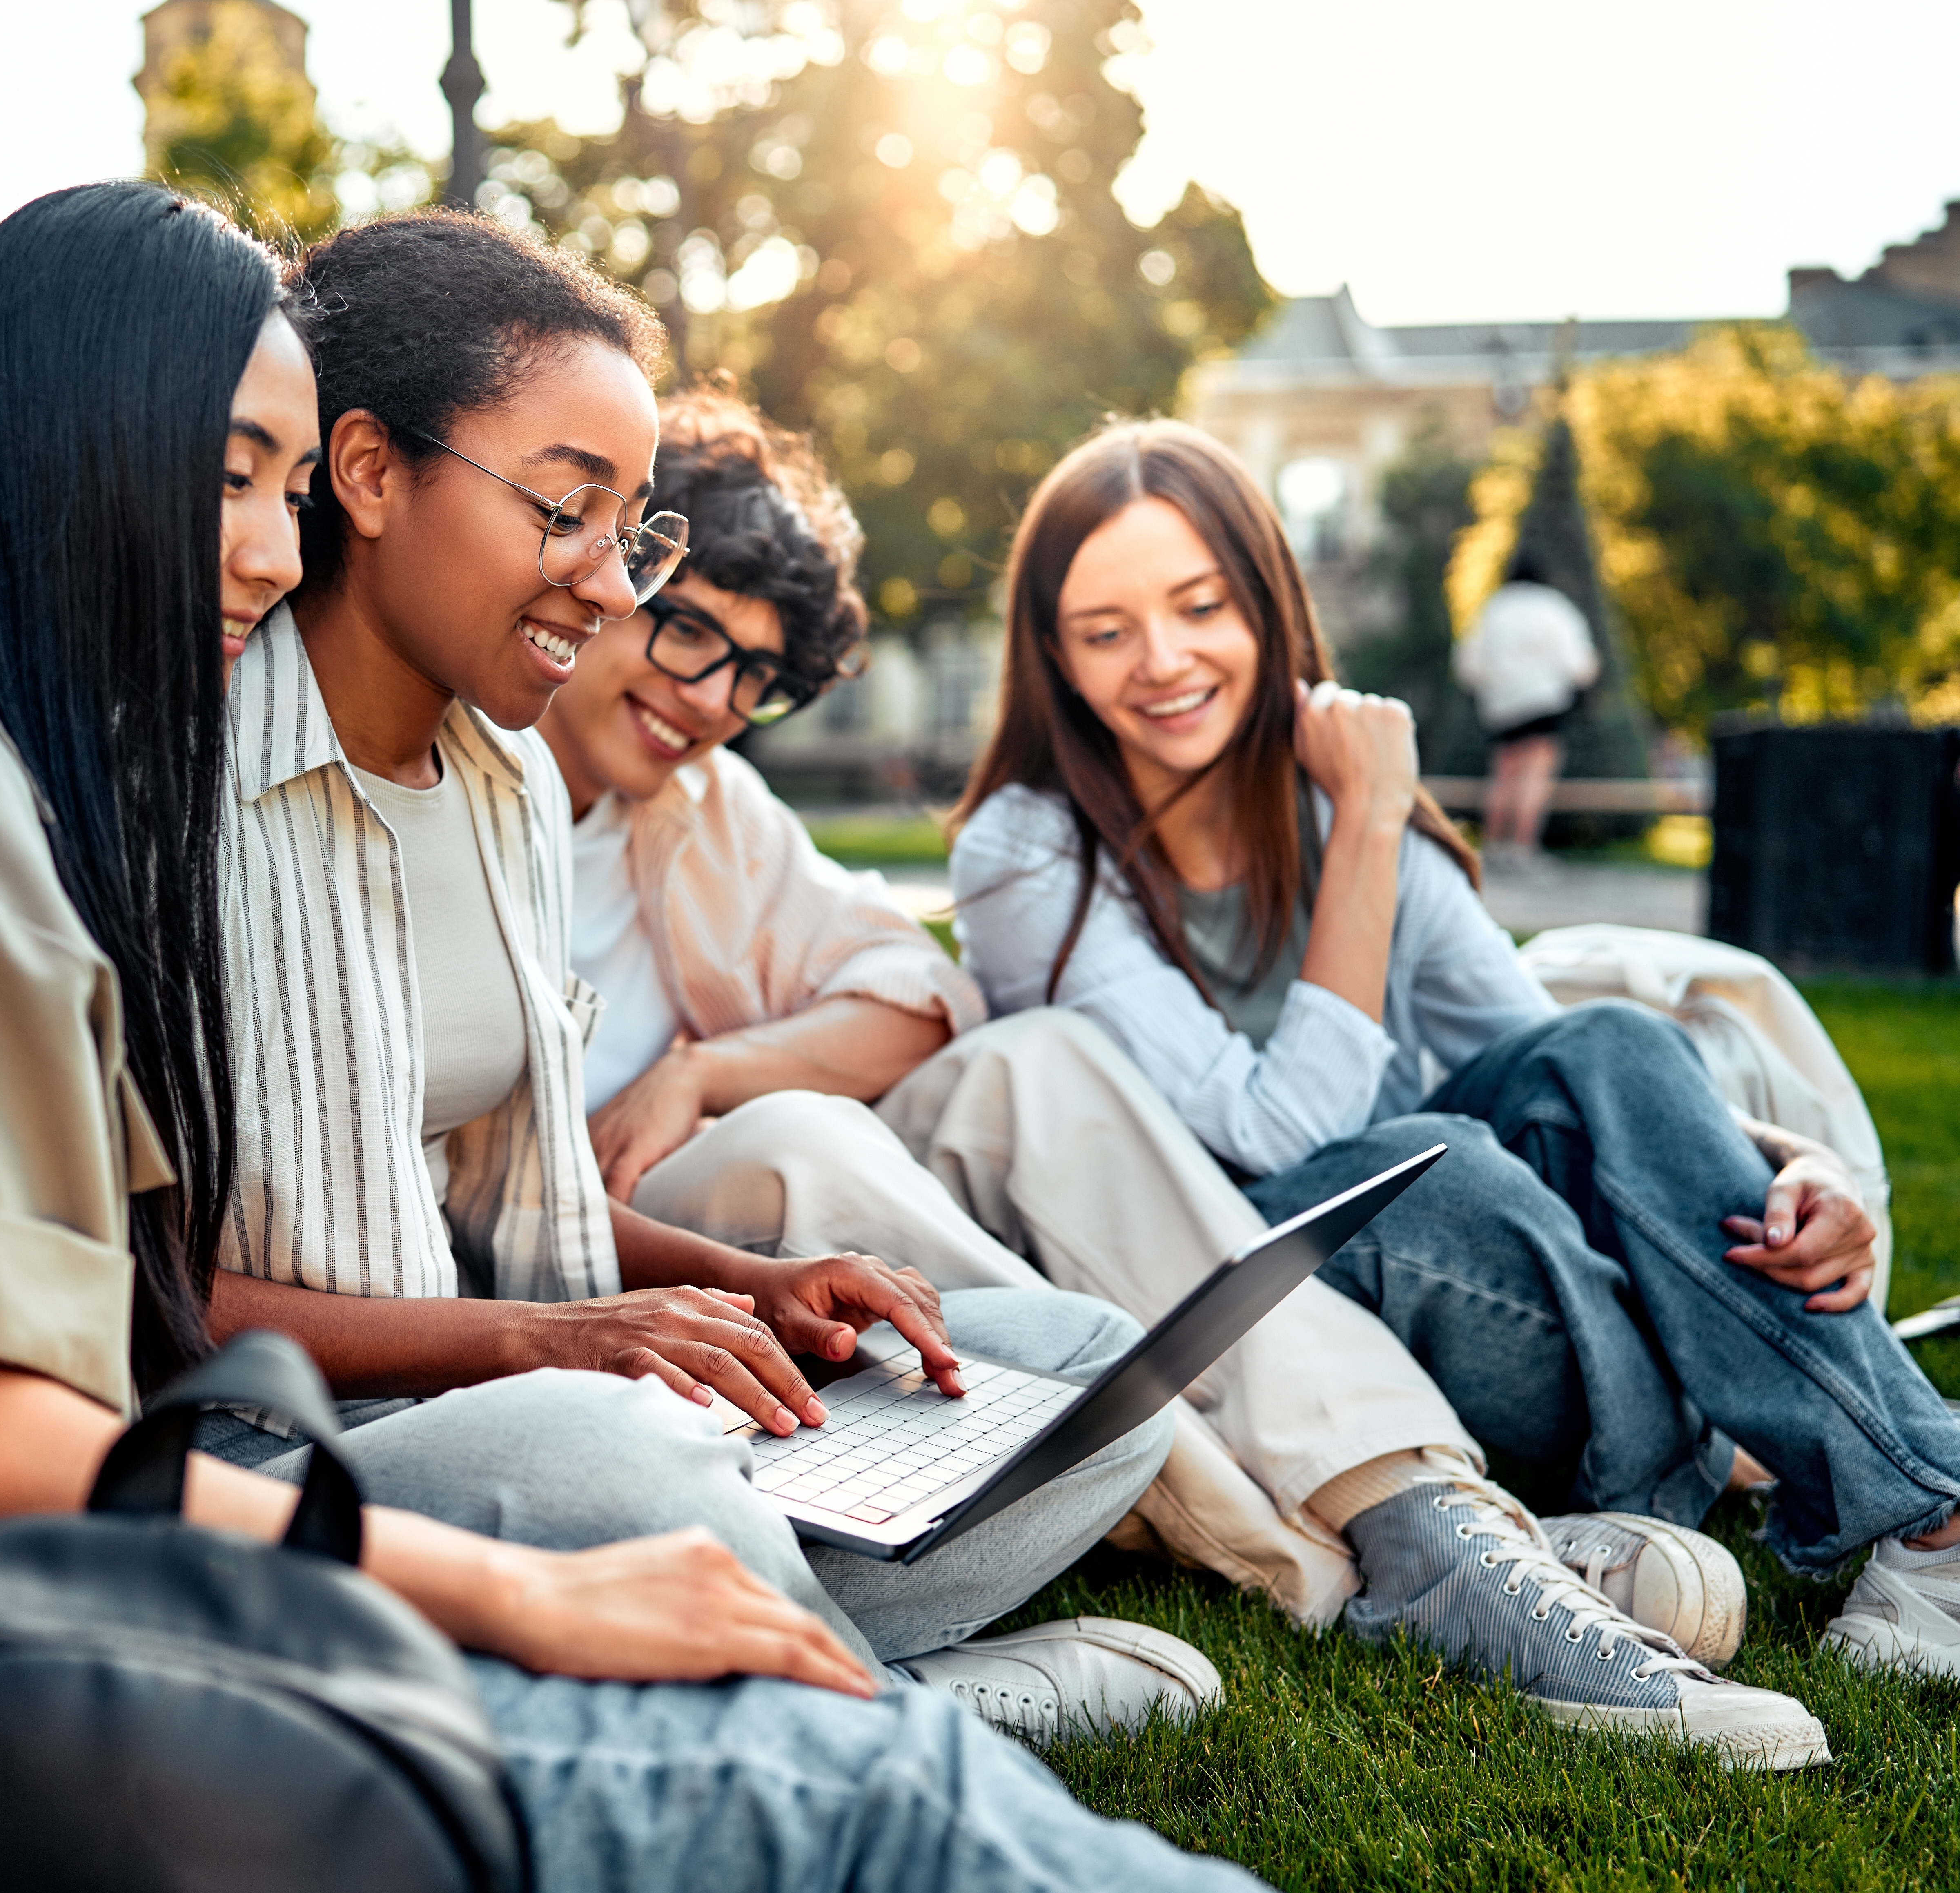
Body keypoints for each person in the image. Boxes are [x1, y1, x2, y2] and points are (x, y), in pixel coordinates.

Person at [0, 183, 1332, 1893]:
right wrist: (521, 1580)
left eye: (285, 489)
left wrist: (698, 1311)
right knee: (850, 1800)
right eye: (229, 478)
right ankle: (884, 1707)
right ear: (56, 445)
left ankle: (840, 1682)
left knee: (992, 1471)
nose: (273, 548)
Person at [518, 384, 1742, 1728]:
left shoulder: (702, 806)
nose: (705, 700)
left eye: (753, 676)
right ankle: (1340, 1548)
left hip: (764, 1262)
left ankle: (1422, 1508)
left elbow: (920, 1000)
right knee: (799, 1139)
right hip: (589, 1267)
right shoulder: (460, 791)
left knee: (1028, 1061)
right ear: (605, 562)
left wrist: (703, 1068)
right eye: (687, 631)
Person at [206, 210, 1207, 1730]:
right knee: (617, 1454)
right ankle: (877, 1713)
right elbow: (138, 1291)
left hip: (533, 1411)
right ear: (365, 473)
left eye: (630, 532)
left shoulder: (508, 787)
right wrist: (556, 1346)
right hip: (297, 1461)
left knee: (1082, 1372)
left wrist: (753, 1287)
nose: (608, 590)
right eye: (566, 512)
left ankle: (736, 1663)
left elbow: (508, 1205)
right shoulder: (189, 781)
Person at [952, 418, 1960, 1735]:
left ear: (1263, 603)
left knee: (1597, 1046)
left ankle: (1924, 1518)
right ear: (1051, 657)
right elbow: (1277, 1133)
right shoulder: (1027, 854)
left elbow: (1559, 1064)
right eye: (1104, 629)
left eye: (1198, 605)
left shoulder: (1329, 808)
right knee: (1420, 1165)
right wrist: (1364, 826)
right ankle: (1704, 1450)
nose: (1161, 661)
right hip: (1264, 1298)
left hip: (1500, 1287)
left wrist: (1791, 1166)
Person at [1452, 551, 1599, 867]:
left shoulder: (1494, 608)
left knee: (1504, 775)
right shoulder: (1554, 607)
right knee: (1536, 774)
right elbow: (1580, 662)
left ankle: (1493, 845)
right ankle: (1523, 846)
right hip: (1544, 702)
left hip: (1502, 706)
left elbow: (1468, 663)